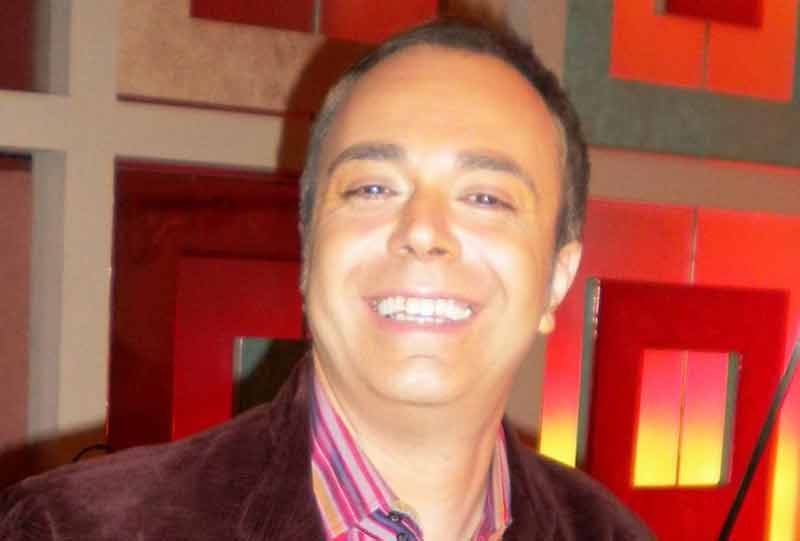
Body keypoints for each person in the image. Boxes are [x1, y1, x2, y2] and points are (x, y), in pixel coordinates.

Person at [0, 18, 651, 541]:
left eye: (486, 198)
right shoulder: (74, 528)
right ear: (309, 244)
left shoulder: (610, 532)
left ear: (557, 277)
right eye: (372, 188)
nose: (422, 230)